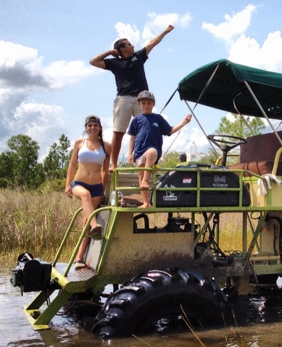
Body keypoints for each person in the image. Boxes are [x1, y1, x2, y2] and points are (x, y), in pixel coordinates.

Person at [89, 24, 175, 173]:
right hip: (123, 99)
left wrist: (165, 32)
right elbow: (93, 61)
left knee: (146, 130)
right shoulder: (114, 63)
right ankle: (113, 164)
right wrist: (110, 52)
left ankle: (144, 163)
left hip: (141, 99)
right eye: (129, 44)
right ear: (122, 49)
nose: (133, 45)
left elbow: (152, 43)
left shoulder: (138, 56)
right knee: (119, 132)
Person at [127, 90, 192, 208]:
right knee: (140, 176)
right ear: (139, 104)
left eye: (149, 103)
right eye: (144, 103)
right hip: (139, 152)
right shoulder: (136, 120)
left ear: (153, 104)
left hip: (152, 150)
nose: (146, 106)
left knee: (151, 153)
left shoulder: (158, 118)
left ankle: (146, 180)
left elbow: (170, 130)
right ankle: (146, 202)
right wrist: (130, 153)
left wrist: (183, 122)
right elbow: (132, 138)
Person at [65, 115, 112, 270]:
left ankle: (79, 258)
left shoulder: (106, 146)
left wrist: (103, 190)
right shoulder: (80, 143)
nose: (92, 128)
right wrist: (67, 185)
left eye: (95, 125)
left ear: (99, 128)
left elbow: (105, 170)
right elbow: (72, 165)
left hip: (97, 187)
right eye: (89, 125)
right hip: (79, 183)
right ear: (86, 127)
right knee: (85, 196)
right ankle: (96, 225)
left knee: (86, 223)